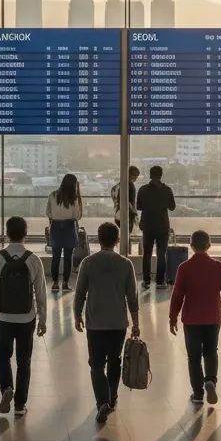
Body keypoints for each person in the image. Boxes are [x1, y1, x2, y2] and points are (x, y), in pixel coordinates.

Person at [168, 230, 221, 406]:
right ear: (209, 245)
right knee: (211, 352)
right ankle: (210, 380)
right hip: (213, 318)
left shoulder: (184, 268)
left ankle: (197, 393)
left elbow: (177, 296)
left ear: (191, 246)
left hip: (192, 320)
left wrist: (173, 318)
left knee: (193, 357)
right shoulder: (219, 267)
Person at [74, 222, 140, 424]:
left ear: (97, 239)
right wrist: (136, 323)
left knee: (96, 364)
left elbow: (80, 293)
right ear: (118, 240)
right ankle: (111, 398)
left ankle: (102, 401)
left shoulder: (88, 262)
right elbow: (132, 297)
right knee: (115, 361)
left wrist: (77, 315)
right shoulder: (125, 264)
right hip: (118, 323)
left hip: (95, 323)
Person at [0, 216, 47, 418]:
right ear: (25, 234)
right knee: (24, 360)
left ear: (7, 233)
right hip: (26, 318)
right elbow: (41, 293)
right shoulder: (33, 259)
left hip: (4, 317)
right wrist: (43, 320)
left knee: (3, 356)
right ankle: (20, 404)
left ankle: (6, 389)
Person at [137, 165, 176, 291]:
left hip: (148, 225)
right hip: (162, 226)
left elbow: (138, 207)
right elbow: (172, 207)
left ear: (150, 175)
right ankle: (160, 281)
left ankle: (146, 281)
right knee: (161, 253)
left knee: (147, 254)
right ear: (161, 175)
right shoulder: (167, 190)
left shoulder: (143, 190)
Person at [46, 173, 83, 294]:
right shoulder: (74, 198)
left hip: (56, 227)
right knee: (68, 258)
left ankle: (55, 284)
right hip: (69, 227)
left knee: (55, 257)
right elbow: (77, 216)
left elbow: (48, 213)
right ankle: (65, 284)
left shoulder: (52, 195)